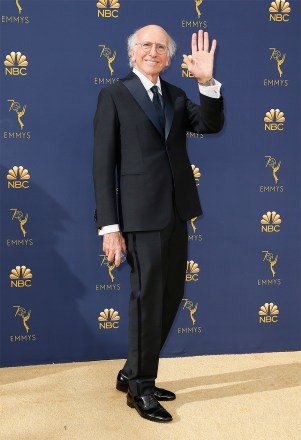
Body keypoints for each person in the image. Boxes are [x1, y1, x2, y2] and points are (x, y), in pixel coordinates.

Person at [93, 25, 224, 423]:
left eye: (161, 47)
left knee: (170, 296)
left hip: (176, 212)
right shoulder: (114, 94)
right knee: (147, 300)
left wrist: (207, 82)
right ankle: (141, 389)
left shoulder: (177, 95)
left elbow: (209, 125)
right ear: (132, 52)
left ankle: (133, 370)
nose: (154, 51)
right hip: (139, 217)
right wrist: (109, 227)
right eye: (146, 45)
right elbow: (103, 166)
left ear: (169, 56)